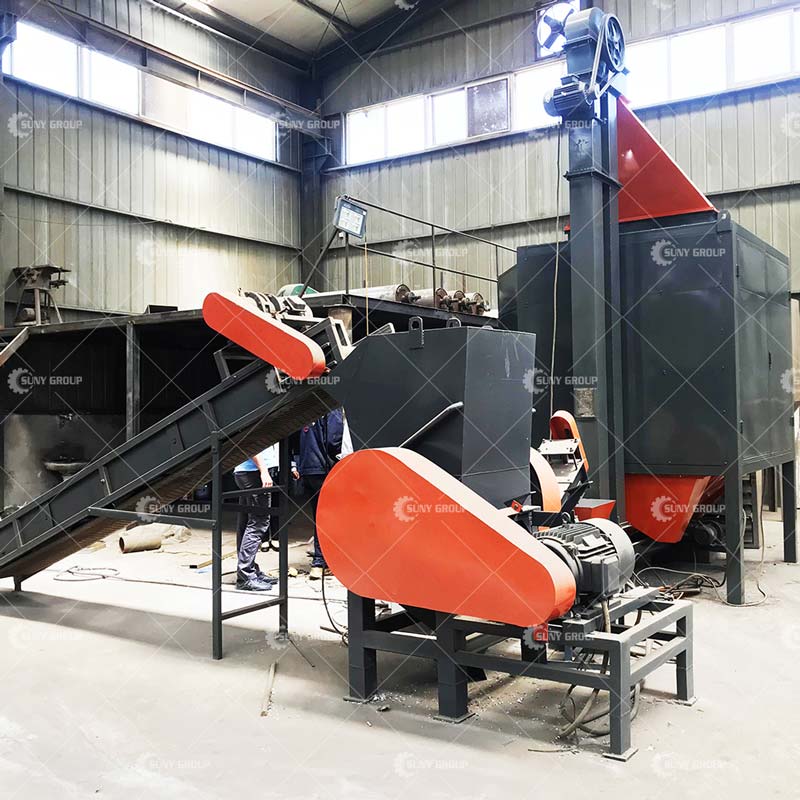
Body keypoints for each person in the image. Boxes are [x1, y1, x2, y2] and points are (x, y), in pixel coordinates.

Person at [294, 409, 343, 580]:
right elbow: (334, 440)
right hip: (324, 468)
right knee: (334, 518)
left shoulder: (307, 410)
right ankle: (323, 561)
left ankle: (320, 563)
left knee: (319, 516)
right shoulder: (332, 408)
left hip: (308, 468)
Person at [233, 443, 279, 591]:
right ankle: (246, 575)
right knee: (258, 522)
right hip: (253, 472)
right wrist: (263, 470)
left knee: (247, 523)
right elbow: (251, 445)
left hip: (247, 471)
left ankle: (250, 570)